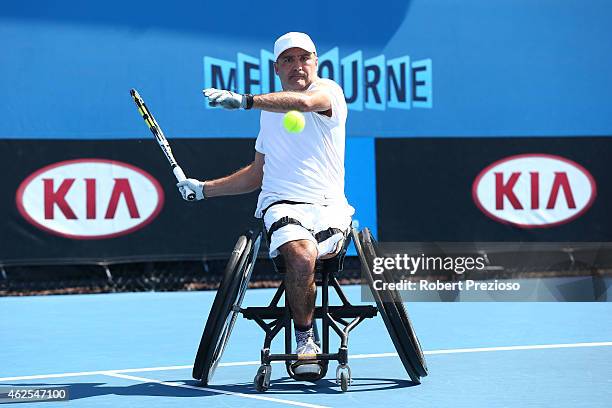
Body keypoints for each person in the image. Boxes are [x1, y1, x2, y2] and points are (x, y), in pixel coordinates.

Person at [177, 32, 354, 377]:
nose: (297, 65)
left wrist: (245, 101)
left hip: (329, 208)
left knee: (312, 253)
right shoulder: (269, 115)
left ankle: (305, 325)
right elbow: (256, 174)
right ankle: (306, 340)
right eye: (288, 59)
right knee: (301, 255)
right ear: (277, 68)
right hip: (283, 206)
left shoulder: (329, 92)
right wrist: (202, 190)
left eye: (304, 58)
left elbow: (303, 104)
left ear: (316, 62)